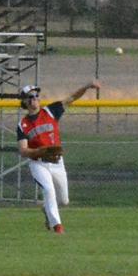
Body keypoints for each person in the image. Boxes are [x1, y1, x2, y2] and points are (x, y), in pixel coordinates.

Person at [16, 80, 100, 234]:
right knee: (49, 190)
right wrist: (38, 152)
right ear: (24, 102)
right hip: (38, 163)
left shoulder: (50, 111)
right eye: (30, 96)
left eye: (36, 95)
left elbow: (72, 98)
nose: (34, 98)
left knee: (64, 200)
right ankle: (57, 227)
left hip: (56, 161)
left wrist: (87, 86)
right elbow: (23, 150)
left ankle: (47, 209)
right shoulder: (23, 125)